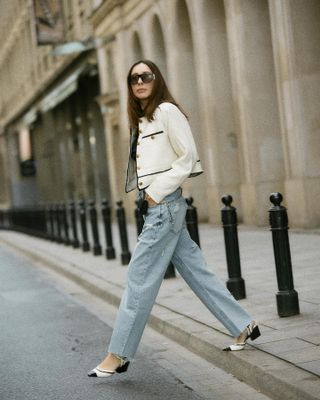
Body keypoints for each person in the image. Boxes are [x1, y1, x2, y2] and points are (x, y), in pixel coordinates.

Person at [88, 60, 260, 378]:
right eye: (133, 78)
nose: (140, 82)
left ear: (157, 79)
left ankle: (118, 354)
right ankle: (242, 325)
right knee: (196, 272)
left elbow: (188, 157)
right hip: (159, 208)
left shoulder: (167, 111)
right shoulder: (142, 119)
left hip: (164, 206)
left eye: (146, 76)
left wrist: (156, 192)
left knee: (139, 280)